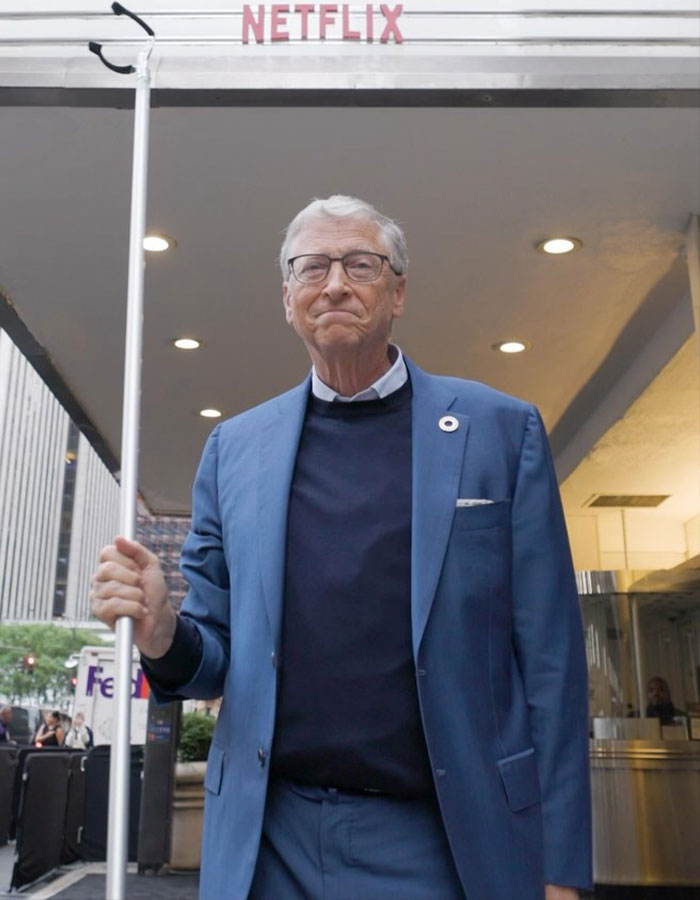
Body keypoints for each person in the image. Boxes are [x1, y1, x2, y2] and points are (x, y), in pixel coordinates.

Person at [91, 195, 591, 900]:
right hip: (270, 840)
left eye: (360, 264)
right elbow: (216, 656)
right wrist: (161, 630)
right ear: (287, 296)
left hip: (443, 838)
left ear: (398, 292)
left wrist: (561, 870)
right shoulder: (234, 450)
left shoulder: (500, 432)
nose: (334, 284)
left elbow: (552, 667)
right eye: (312, 267)